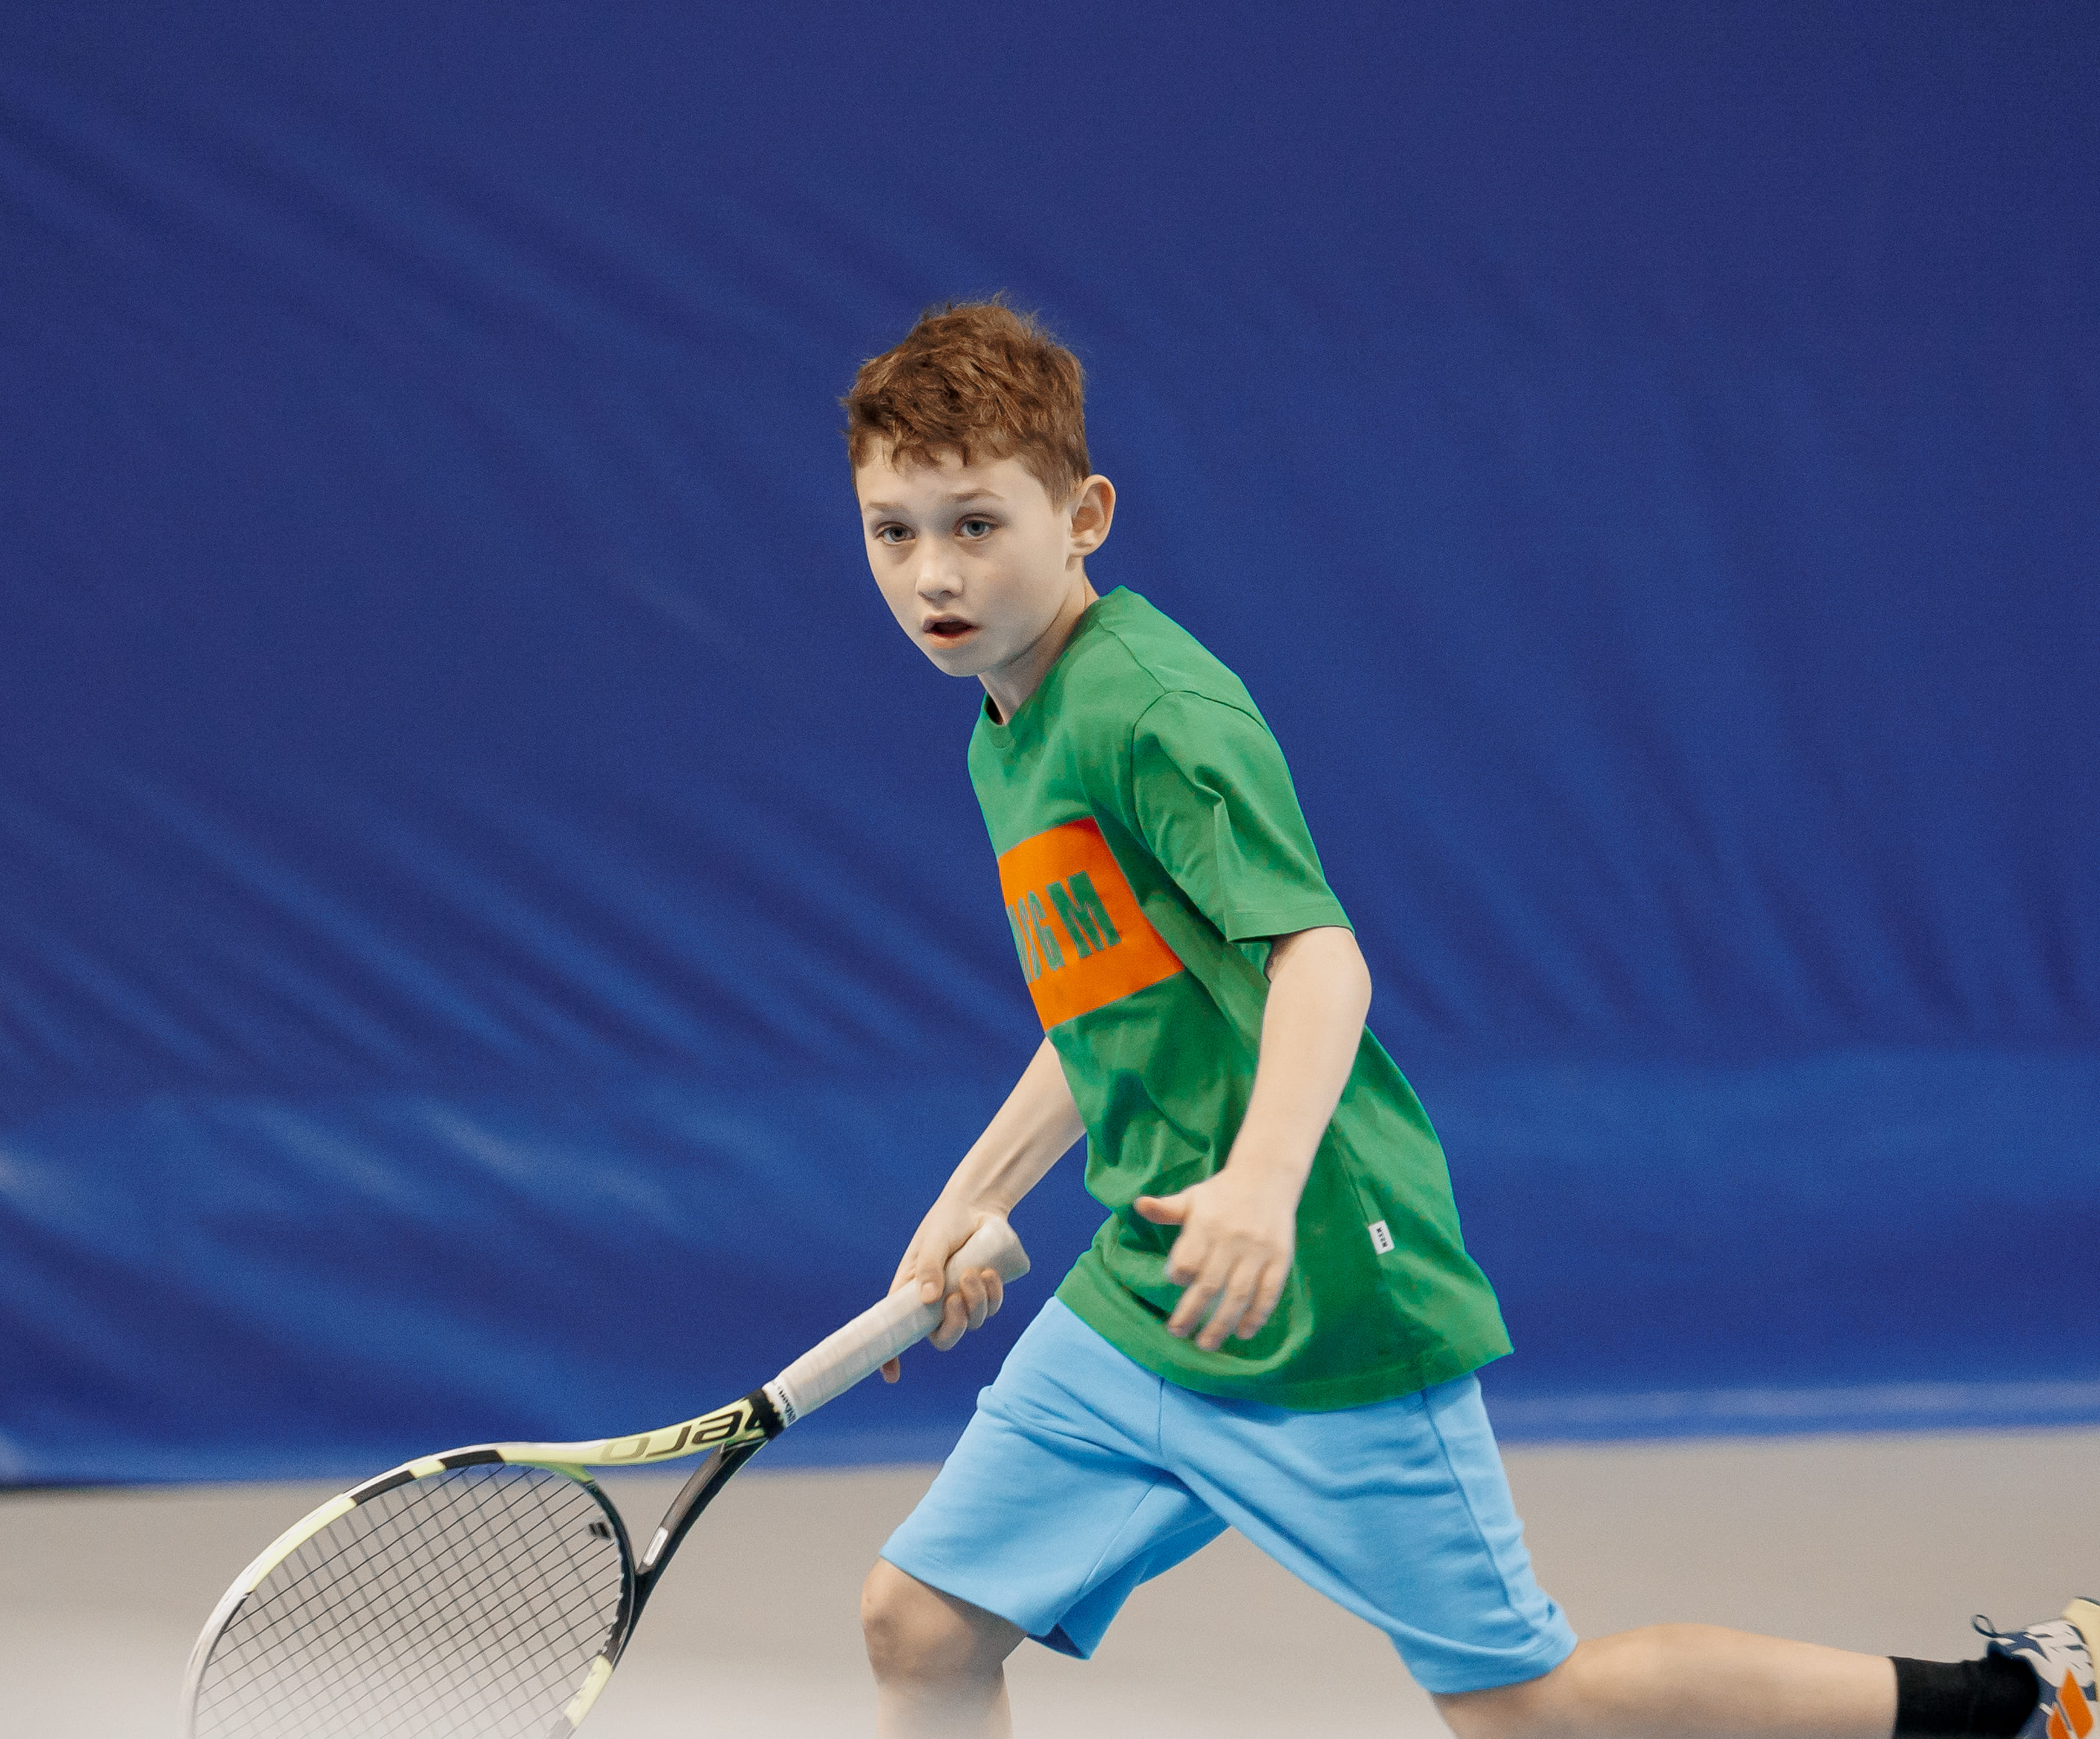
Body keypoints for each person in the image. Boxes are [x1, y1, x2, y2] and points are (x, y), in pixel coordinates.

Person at [840, 298, 2093, 1739]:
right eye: (893, 531)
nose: (933, 573)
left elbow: (1321, 961)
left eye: (975, 524)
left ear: (1083, 517)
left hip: (1316, 1278)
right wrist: (975, 1192)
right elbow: (1109, 1001)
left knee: (1523, 1708)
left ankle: (2019, 1699)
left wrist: (1262, 1184)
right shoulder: (1010, 724)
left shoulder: (1149, 710)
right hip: (1153, 1277)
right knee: (920, 1622)